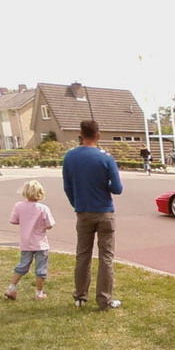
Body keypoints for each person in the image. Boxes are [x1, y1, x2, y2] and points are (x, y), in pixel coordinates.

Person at [63, 120, 123, 310]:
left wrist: (77, 203)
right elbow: (117, 188)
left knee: (83, 255)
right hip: (104, 211)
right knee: (106, 256)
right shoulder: (106, 157)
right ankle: (104, 300)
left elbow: (67, 186)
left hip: (83, 212)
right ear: (98, 135)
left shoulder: (70, 157)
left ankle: (80, 296)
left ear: (80, 134)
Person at [5, 180, 56, 301]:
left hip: (26, 243)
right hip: (40, 244)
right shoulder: (43, 208)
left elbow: (13, 220)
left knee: (22, 265)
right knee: (41, 269)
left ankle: (11, 288)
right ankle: (39, 293)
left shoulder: (18, 206)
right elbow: (50, 225)